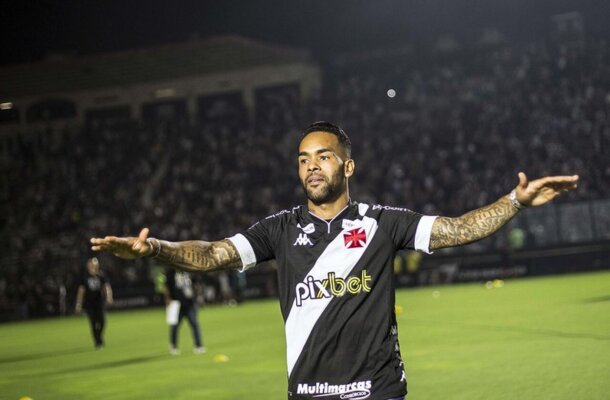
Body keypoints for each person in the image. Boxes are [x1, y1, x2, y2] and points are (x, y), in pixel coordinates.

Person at [91, 121, 578, 400]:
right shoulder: (278, 229)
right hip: (308, 394)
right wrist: (155, 249)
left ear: (347, 166)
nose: (310, 167)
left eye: (322, 157)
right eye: (303, 158)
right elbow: (213, 254)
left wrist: (513, 202)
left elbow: (457, 228)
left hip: (379, 390)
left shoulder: (383, 222)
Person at [164, 268, 206, 355]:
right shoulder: (171, 271)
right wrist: (168, 298)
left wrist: (197, 296)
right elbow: (166, 286)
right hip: (177, 303)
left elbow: (196, 283)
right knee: (175, 326)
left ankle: (199, 345)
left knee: (194, 324)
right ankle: (173, 345)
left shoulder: (189, 269)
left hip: (189, 303)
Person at [75, 257, 113, 349]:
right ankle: (97, 341)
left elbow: (106, 287)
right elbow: (81, 291)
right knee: (93, 322)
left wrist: (109, 297)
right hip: (89, 303)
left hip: (99, 302)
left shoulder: (101, 275)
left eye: (94, 264)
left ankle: (99, 336)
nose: (92, 266)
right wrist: (78, 304)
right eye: (90, 264)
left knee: (102, 321)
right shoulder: (84, 277)